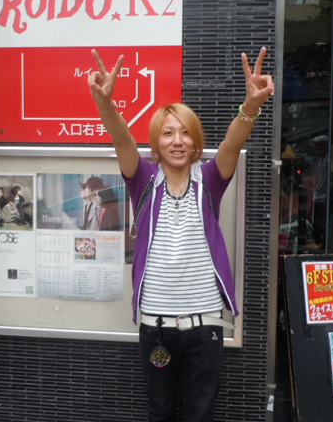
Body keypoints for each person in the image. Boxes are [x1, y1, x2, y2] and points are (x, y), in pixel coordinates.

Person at [87, 47, 273, 422]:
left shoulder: (210, 180)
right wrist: (105, 104)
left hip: (205, 326)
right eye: (168, 133)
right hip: (156, 327)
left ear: (195, 141)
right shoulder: (143, 180)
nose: (177, 140)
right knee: (160, 411)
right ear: (156, 143)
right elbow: (122, 140)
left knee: (200, 413)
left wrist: (251, 105)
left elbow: (232, 144)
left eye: (186, 133)